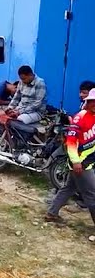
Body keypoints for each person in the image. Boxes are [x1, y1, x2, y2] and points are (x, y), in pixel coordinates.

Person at [45, 89, 95, 226]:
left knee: (68, 188)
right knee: (92, 195)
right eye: (92, 102)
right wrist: (76, 161)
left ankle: (51, 213)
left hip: (87, 160)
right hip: (81, 163)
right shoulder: (81, 118)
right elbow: (71, 141)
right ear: (88, 102)